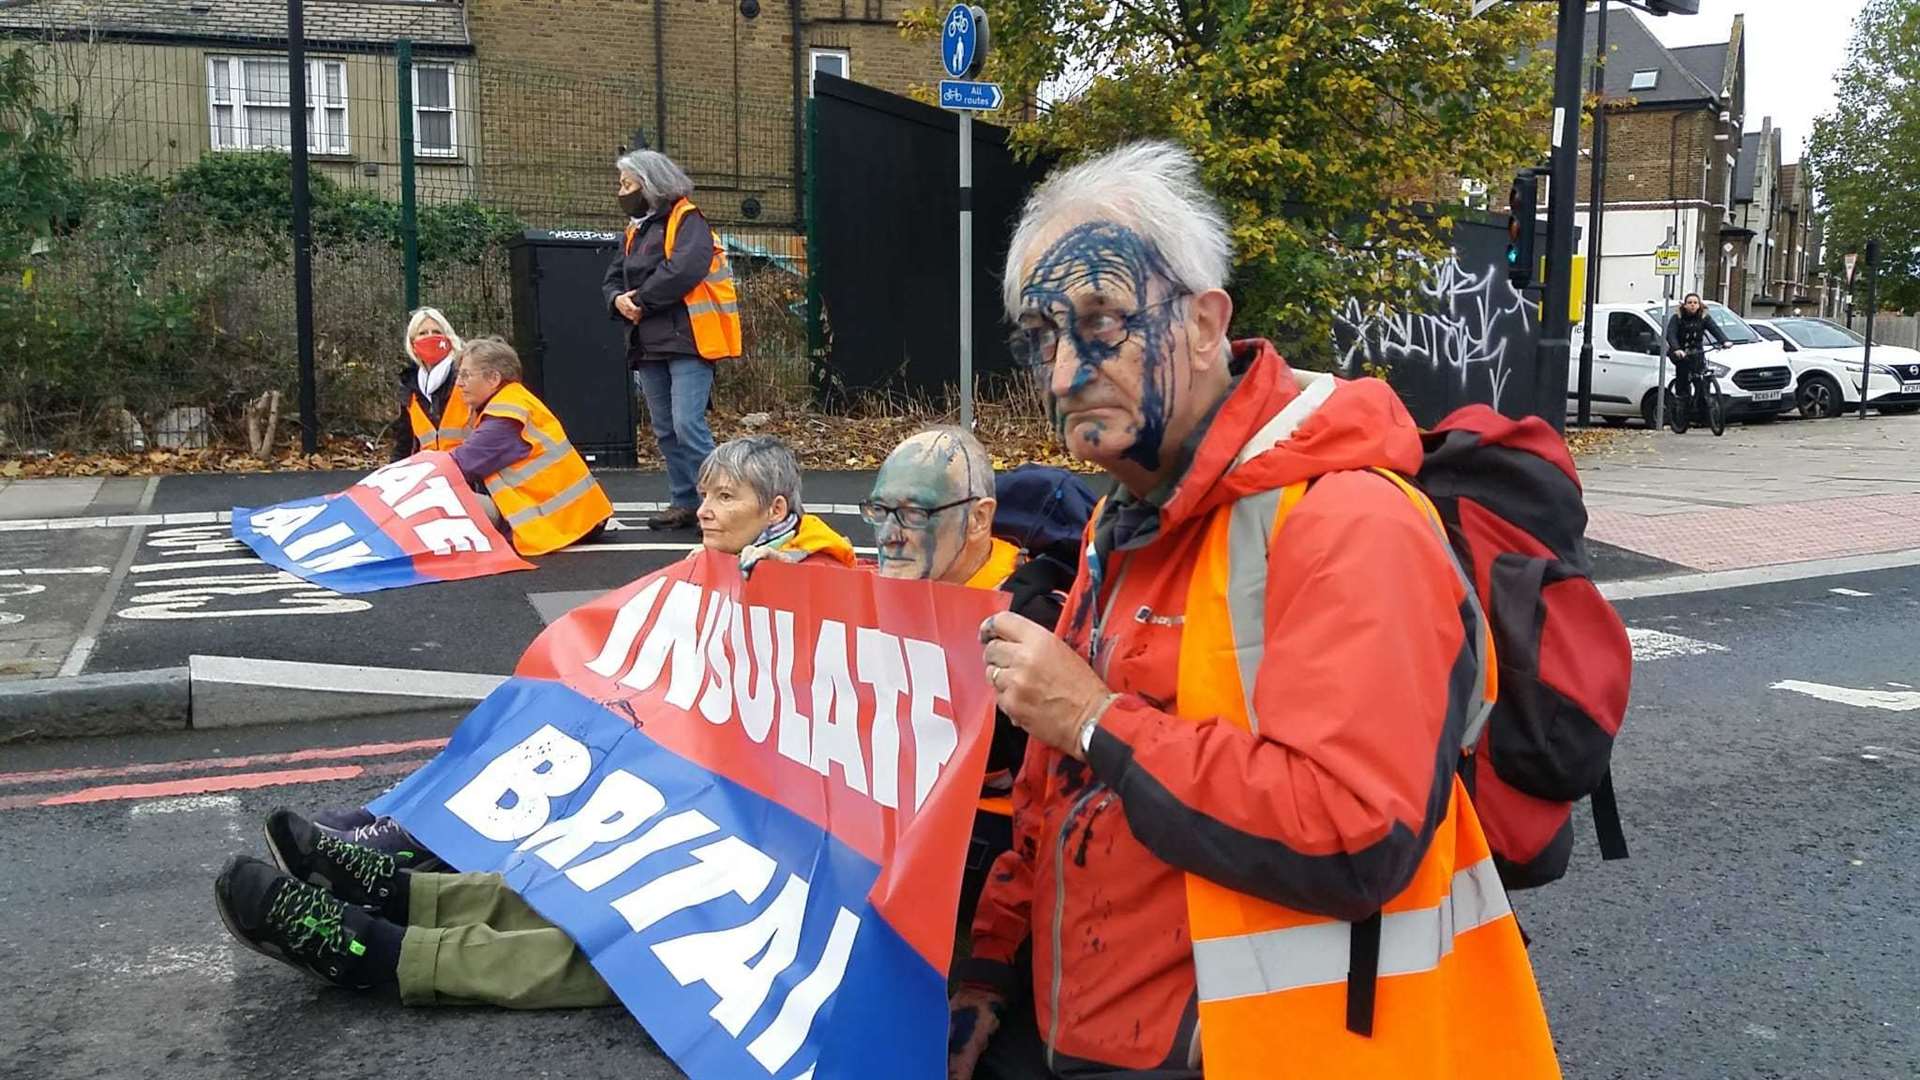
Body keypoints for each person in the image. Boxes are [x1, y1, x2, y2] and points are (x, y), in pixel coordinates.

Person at [950, 142, 1559, 1079]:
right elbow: (1055, 788)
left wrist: (1096, 717)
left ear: (1204, 323)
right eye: (1041, 336)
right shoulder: (1128, 514)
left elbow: (1358, 832)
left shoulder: (1348, 519)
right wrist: (990, 966)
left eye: (1103, 322)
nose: (1066, 370)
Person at [861, 427, 1077, 936]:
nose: (890, 533)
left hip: (988, 863)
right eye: (879, 510)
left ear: (979, 518)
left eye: (915, 514)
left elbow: (1048, 799)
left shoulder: (1030, 622)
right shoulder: (887, 584)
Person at [603, 149, 742, 532]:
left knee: (687, 425)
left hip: (687, 340)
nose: (621, 191)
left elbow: (685, 269)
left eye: (627, 183)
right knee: (665, 428)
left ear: (650, 183)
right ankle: (684, 501)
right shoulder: (636, 229)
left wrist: (640, 302)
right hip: (647, 343)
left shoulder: (687, 219)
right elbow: (613, 277)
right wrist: (618, 299)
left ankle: (720, 503)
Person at [448, 338, 613, 556]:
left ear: (494, 378)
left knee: (441, 504)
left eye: (466, 375)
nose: (459, 382)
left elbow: (457, 466)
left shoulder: (504, 417)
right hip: (576, 516)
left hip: (556, 522)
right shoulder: (514, 402)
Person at [697, 434, 855, 568]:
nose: (701, 512)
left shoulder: (823, 570)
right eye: (704, 495)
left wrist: (782, 580)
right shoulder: (710, 560)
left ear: (776, 510)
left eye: (725, 496)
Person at [391, 307, 469, 462]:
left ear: (448, 337)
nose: (430, 337)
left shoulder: (465, 375)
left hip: (467, 470)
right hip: (431, 474)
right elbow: (405, 442)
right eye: (422, 333)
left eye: (436, 332)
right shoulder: (410, 387)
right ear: (412, 343)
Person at [1664, 292, 1731, 426]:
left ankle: (1704, 414)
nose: (1693, 305)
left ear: (1699, 304)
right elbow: (1670, 334)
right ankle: (1681, 411)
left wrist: (1724, 341)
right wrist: (1677, 348)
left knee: (1701, 381)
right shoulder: (1677, 318)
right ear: (1685, 305)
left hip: (1697, 352)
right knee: (1683, 379)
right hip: (1681, 353)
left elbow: (1715, 329)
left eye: (1695, 303)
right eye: (1690, 303)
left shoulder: (1704, 317)